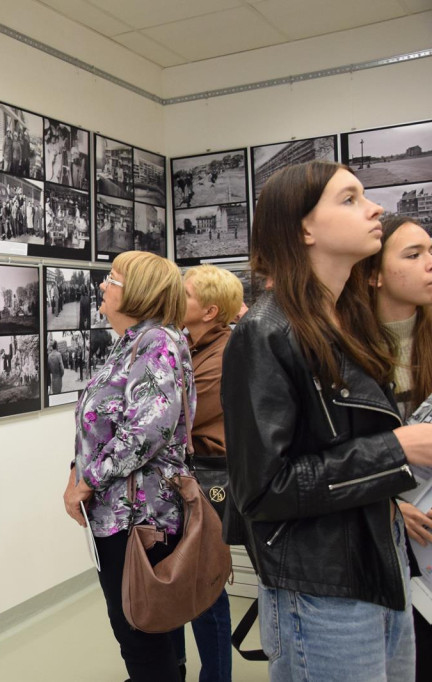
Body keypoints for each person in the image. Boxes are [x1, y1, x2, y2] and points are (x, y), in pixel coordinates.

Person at [222, 161, 431, 681]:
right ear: (304, 228)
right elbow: (263, 489)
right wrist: (398, 450)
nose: (374, 207)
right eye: (349, 198)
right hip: (321, 588)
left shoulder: (345, 323)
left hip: (380, 567)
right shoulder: (265, 333)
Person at [63, 250, 194, 682]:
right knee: (144, 634)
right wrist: (74, 469)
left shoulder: (158, 344)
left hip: (139, 517)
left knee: (140, 632)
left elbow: (146, 431)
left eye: (112, 279)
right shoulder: (132, 342)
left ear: (137, 292)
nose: (103, 285)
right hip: (117, 513)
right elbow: (102, 420)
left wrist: (88, 479)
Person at [362, 215, 432, 681]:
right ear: (374, 274)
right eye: (414, 254)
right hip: (381, 544)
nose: (430, 263)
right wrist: (385, 501)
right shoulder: (346, 353)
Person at [171, 264, 243, 682]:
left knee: (206, 590)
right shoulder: (190, 346)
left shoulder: (225, 355)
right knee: (180, 585)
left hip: (208, 482)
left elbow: (182, 416)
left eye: (187, 295)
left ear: (211, 311)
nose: (177, 299)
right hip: (185, 480)